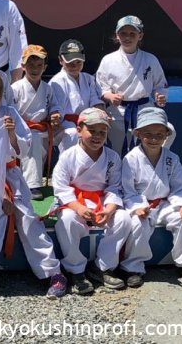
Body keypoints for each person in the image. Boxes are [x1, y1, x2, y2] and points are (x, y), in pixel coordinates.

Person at [0, 70, 67, 298]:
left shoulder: (10, 114)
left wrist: (12, 134)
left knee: (29, 219)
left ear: (1, 95)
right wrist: (1, 193)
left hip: (12, 173)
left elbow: (23, 149)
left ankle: (53, 272)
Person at [52, 107, 131, 293]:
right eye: (92, 131)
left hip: (101, 202)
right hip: (75, 202)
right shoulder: (68, 156)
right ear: (79, 130)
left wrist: (109, 210)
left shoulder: (112, 157)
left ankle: (101, 267)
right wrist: (78, 207)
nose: (97, 136)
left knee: (123, 218)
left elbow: (114, 187)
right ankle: (75, 270)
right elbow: (61, 187)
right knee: (67, 220)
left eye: (102, 132)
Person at [121, 108, 182, 288]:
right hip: (142, 205)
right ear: (138, 134)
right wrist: (137, 207)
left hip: (165, 203)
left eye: (159, 134)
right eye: (148, 134)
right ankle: (133, 267)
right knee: (137, 223)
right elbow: (128, 191)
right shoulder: (131, 159)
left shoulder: (172, 159)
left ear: (167, 135)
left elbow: (180, 186)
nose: (154, 139)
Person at [96, 16, 169, 155]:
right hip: (118, 112)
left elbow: (160, 85)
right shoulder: (108, 60)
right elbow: (101, 87)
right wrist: (109, 96)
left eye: (132, 33)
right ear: (117, 35)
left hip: (145, 110)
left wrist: (160, 96)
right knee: (116, 150)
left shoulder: (150, 59)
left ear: (140, 36)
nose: (127, 37)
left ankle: (154, 164)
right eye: (123, 33)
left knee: (170, 131)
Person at [10, 45, 61, 200]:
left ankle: (59, 180)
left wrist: (55, 114)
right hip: (22, 130)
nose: (35, 69)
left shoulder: (47, 88)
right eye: (31, 65)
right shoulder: (16, 88)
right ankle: (32, 186)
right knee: (33, 143)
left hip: (43, 129)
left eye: (39, 65)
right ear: (23, 66)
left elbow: (54, 105)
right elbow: (10, 110)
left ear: (45, 67)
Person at [49, 39, 105, 153]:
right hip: (66, 126)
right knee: (72, 134)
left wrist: (102, 113)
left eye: (78, 62)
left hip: (88, 122)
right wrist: (56, 118)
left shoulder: (88, 78)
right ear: (60, 60)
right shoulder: (56, 82)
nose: (74, 65)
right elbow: (56, 110)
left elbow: (95, 100)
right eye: (70, 62)